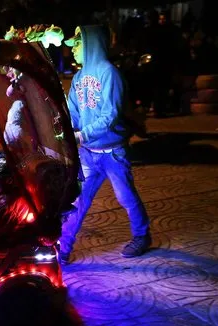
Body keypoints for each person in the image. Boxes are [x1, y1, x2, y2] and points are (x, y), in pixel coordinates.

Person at [60, 25, 151, 264]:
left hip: (113, 152)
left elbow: (110, 116)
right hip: (88, 154)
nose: (74, 50)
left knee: (125, 197)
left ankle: (142, 236)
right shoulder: (78, 78)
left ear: (90, 44)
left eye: (77, 45)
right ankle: (63, 248)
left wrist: (82, 135)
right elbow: (74, 113)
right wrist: (65, 127)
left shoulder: (110, 74)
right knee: (77, 201)